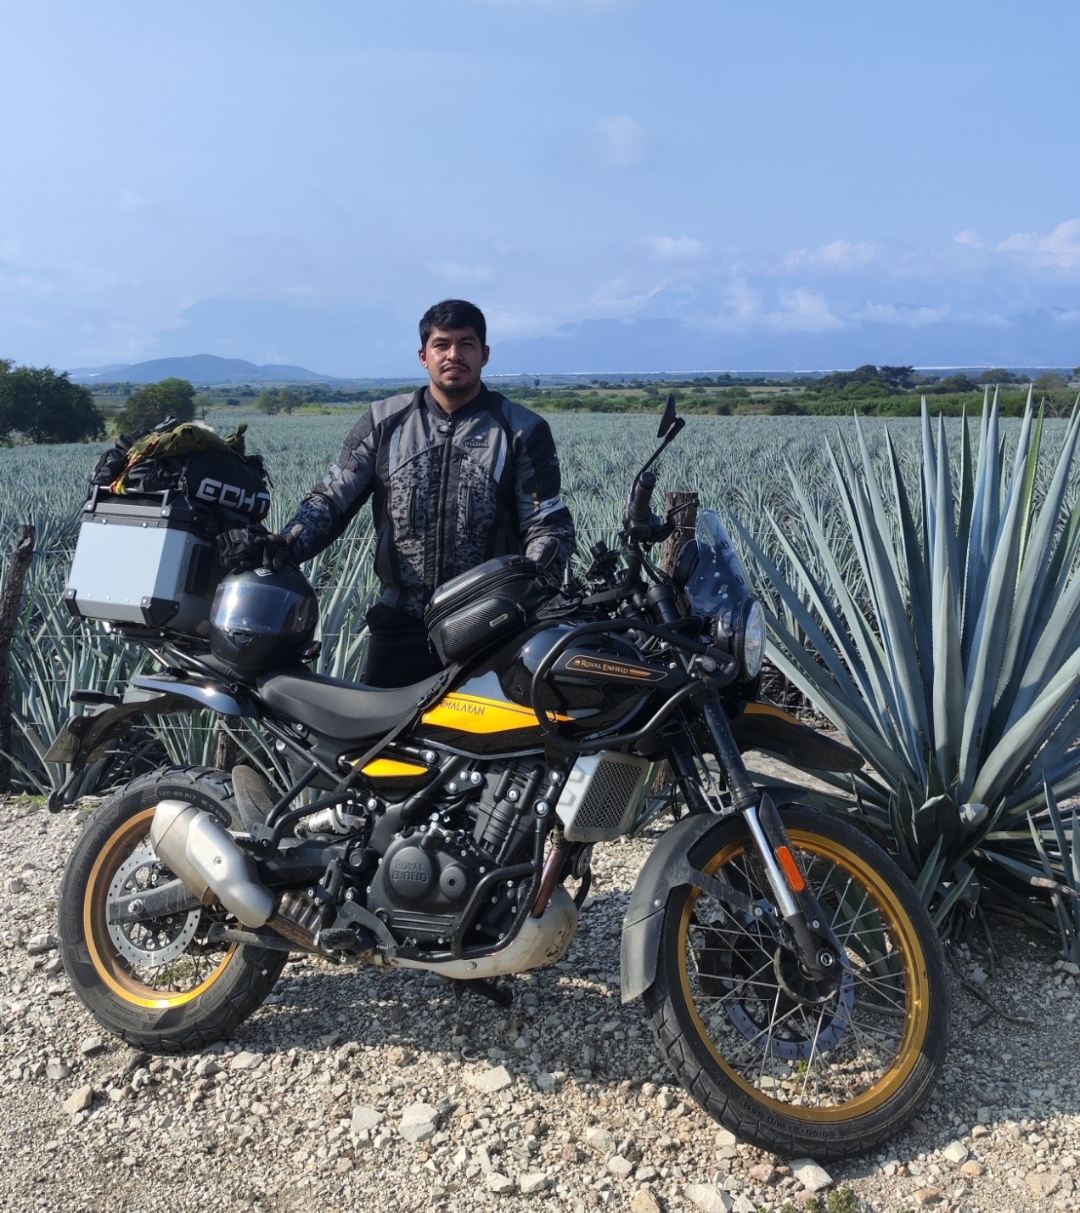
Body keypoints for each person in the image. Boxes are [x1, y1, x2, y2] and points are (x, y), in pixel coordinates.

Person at [218, 299, 575, 687]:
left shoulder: (521, 430)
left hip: (491, 630)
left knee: (492, 743)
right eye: (442, 344)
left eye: (466, 344)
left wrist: (534, 586)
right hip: (401, 625)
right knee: (377, 745)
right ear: (424, 356)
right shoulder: (384, 423)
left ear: (484, 354)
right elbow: (332, 499)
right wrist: (286, 541)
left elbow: (547, 524)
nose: (453, 354)